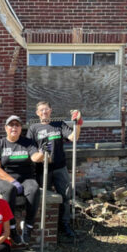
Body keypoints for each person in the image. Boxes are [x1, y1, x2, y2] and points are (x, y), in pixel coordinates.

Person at [26, 101, 82, 239]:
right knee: (42, 198)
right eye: (41, 110)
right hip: (41, 169)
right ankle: (42, 225)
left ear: (50, 110)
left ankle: (65, 224)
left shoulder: (59, 125)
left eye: (46, 109)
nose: (44, 112)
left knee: (65, 196)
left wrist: (78, 123)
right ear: (37, 113)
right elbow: (30, 149)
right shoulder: (33, 128)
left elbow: (74, 137)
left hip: (59, 167)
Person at [0, 115, 41, 246]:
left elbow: (35, 156)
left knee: (34, 189)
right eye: (11, 125)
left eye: (17, 125)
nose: (14, 127)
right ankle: (12, 228)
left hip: (26, 178)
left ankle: (28, 227)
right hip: (3, 177)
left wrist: (42, 154)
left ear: (20, 128)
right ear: (6, 128)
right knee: (9, 189)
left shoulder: (28, 143)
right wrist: (12, 181)